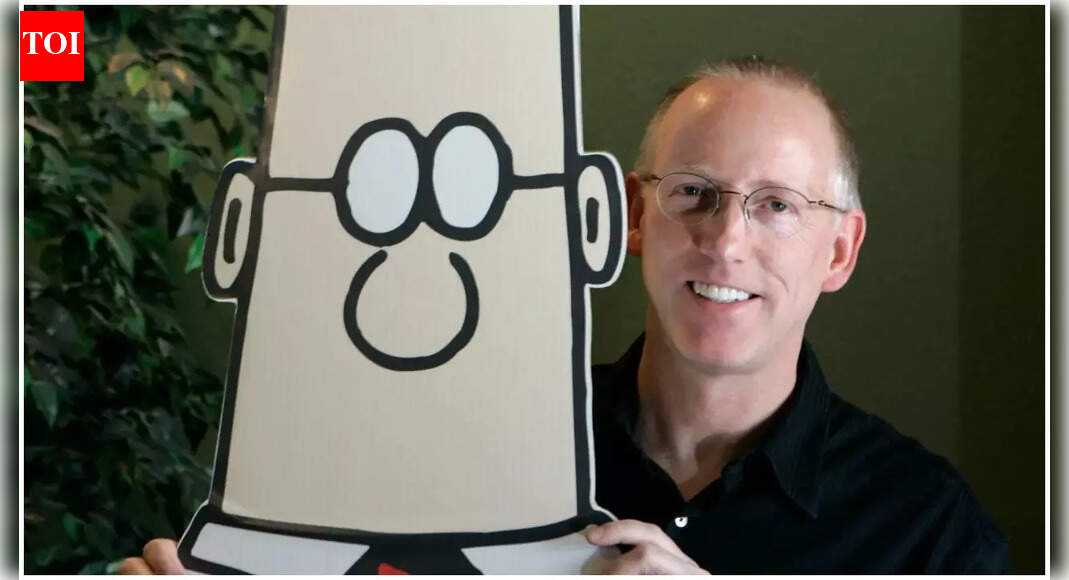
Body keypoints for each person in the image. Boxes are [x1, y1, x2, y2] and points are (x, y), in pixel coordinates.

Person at [119, 56, 1010, 575]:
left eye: (776, 205)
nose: (725, 241)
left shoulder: (928, 532)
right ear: (629, 218)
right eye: (692, 193)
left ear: (839, 251)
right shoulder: (467, 453)